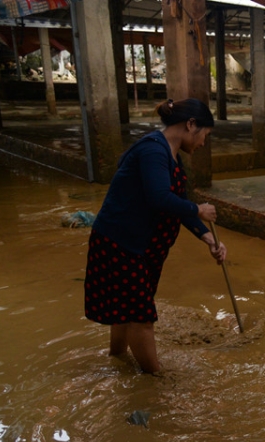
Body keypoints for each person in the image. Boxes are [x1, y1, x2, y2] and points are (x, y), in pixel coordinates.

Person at [84, 98, 227, 373]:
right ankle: (155, 380)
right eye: (205, 135)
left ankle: (117, 359)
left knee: (125, 311)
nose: (203, 143)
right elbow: (160, 198)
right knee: (141, 317)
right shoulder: (153, 151)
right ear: (191, 124)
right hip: (122, 244)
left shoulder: (170, 154)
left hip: (138, 245)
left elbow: (176, 203)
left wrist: (207, 237)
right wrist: (198, 209)